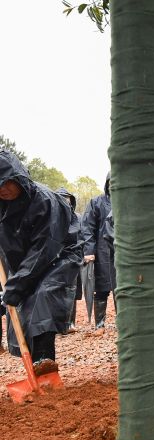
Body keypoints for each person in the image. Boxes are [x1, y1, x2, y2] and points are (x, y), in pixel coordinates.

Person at [0, 151, 82, 372]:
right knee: (22, 303)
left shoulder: (45, 201)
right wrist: (14, 286)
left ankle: (44, 360)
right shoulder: (2, 205)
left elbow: (45, 249)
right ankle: (36, 368)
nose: (3, 189)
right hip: (28, 259)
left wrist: (15, 285)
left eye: (6, 182)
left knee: (45, 294)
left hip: (61, 253)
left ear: (17, 177)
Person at [81, 173, 116, 329]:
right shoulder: (97, 202)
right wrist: (89, 251)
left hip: (121, 252)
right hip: (101, 251)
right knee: (101, 287)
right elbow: (87, 228)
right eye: (111, 182)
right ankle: (99, 323)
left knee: (122, 287)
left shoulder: (127, 202)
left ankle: (124, 322)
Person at [55, 187, 84, 333]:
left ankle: (70, 323)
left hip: (73, 260)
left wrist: (82, 255)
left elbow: (82, 237)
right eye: (62, 199)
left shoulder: (77, 217)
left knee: (71, 291)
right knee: (56, 291)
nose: (65, 202)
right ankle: (57, 325)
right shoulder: (51, 217)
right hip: (55, 259)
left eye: (67, 199)